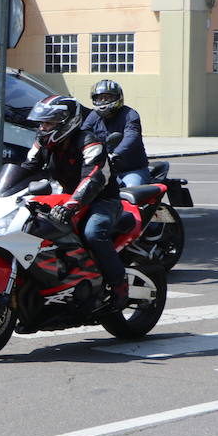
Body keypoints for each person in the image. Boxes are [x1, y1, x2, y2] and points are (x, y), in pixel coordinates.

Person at [21, 94, 129, 310]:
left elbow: (94, 178)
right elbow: (26, 169)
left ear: (66, 122)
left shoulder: (89, 142)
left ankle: (119, 285)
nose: (43, 127)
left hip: (102, 200)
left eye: (48, 122)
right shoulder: (44, 142)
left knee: (93, 234)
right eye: (42, 122)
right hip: (64, 198)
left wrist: (71, 205)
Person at [82, 79, 150, 187]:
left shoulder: (130, 115)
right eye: (100, 98)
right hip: (104, 169)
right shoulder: (94, 116)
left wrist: (116, 153)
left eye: (107, 97)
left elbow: (132, 136)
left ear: (118, 97)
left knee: (130, 193)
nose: (103, 101)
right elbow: (84, 133)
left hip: (130, 170)